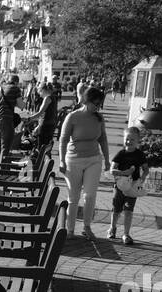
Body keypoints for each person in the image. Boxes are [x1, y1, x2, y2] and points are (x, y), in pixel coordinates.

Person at [59, 86, 111, 240]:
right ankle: (70, 230)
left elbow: (103, 139)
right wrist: (61, 161)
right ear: (87, 101)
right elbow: (62, 140)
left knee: (90, 195)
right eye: (96, 103)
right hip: (73, 160)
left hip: (94, 160)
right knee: (73, 198)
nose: (98, 107)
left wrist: (107, 159)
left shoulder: (99, 118)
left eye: (100, 104)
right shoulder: (73, 117)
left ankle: (87, 226)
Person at [108, 126, 149, 245]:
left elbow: (145, 169)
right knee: (116, 210)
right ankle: (112, 228)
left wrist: (142, 178)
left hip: (132, 187)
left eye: (132, 140)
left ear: (137, 141)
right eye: (127, 139)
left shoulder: (140, 155)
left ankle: (126, 234)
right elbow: (112, 170)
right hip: (119, 186)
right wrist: (124, 173)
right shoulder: (121, 154)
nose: (129, 142)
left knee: (128, 210)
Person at [0, 73, 22, 166]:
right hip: (5, 121)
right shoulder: (15, 88)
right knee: (5, 148)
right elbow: (21, 105)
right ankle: (3, 172)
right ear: (16, 82)